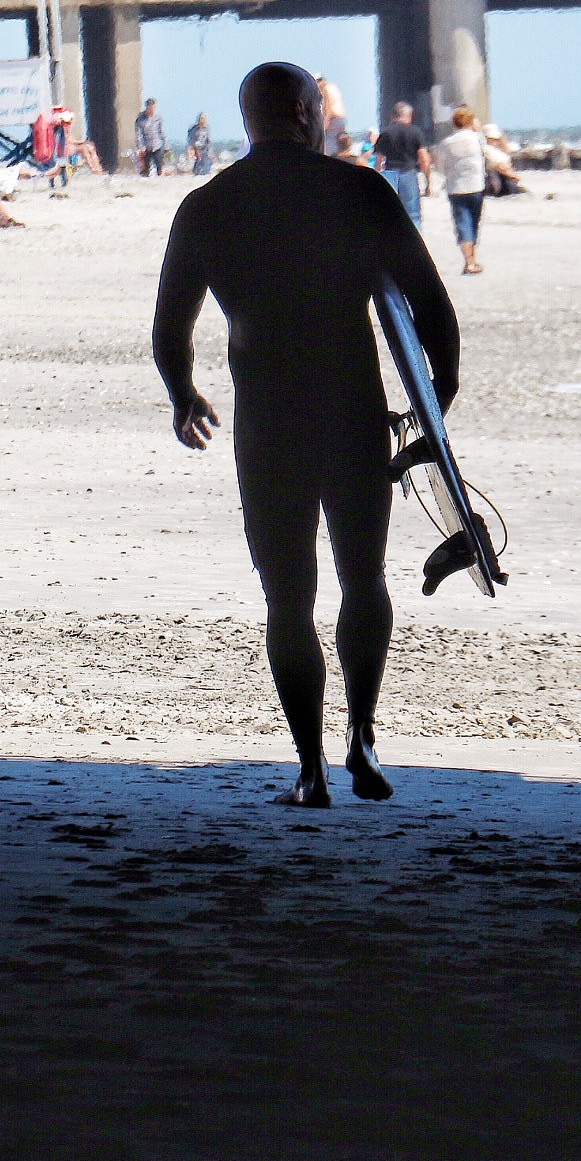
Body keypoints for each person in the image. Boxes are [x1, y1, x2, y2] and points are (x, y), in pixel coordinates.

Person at [151, 62, 459, 808]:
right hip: (353, 416)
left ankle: (310, 769)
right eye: (320, 106)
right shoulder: (358, 192)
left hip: (266, 428)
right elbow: (433, 314)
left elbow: (169, 332)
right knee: (364, 579)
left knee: (288, 600)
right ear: (300, 109)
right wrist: (432, 416)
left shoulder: (206, 208)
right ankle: (362, 735)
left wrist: (183, 396)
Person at [438, 106, 488, 276]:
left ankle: (469, 262)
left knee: (462, 224)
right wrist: (477, 127)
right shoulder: (477, 138)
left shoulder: (447, 143)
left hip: (456, 188)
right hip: (476, 186)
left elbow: (441, 168)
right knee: (474, 223)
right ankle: (472, 260)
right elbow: (485, 154)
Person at [373, 100, 431, 224]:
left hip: (390, 175)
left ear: (392, 116)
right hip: (408, 173)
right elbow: (424, 159)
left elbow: (379, 159)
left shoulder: (386, 133)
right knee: (413, 215)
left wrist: (377, 179)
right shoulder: (415, 132)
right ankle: (415, 242)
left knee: (391, 213)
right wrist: (427, 182)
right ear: (408, 116)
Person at [481, 123, 523, 196]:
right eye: (493, 139)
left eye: (497, 140)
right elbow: (502, 166)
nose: (496, 142)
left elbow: (506, 153)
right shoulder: (487, 150)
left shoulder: (492, 150)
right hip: (494, 183)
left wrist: (502, 136)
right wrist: (514, 176)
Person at [135, 98, 169, 176]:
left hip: (157, 145)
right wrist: (141, 147)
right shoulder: (140, 119)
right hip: (146, 147)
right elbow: (139, 134)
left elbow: (161, 132)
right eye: (149, 107)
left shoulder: (158, 118)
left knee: (159, 166)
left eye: (153, 107)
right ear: (147, 107)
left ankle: (160, 181)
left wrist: (166, 144)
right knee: (146, 169)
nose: (151, 109)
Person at [318, 75, 348, 158]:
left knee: (329, 145)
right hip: (341, 119)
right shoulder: (333, 87)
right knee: (338, 144)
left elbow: (328, 105)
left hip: (333, 119)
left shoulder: (325, 88)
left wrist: (326, 121)